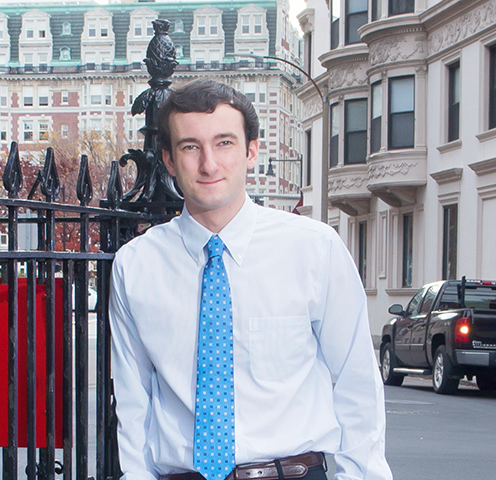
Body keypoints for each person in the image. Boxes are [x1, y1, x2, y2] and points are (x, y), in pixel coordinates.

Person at [109, 79, 391, 480]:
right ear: (170, 161)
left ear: (251, 151)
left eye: (224, 143)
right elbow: (134, 401)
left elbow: (356, 382)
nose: (209, 164)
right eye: (191, 147)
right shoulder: (136, 265)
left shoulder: (313, 249)